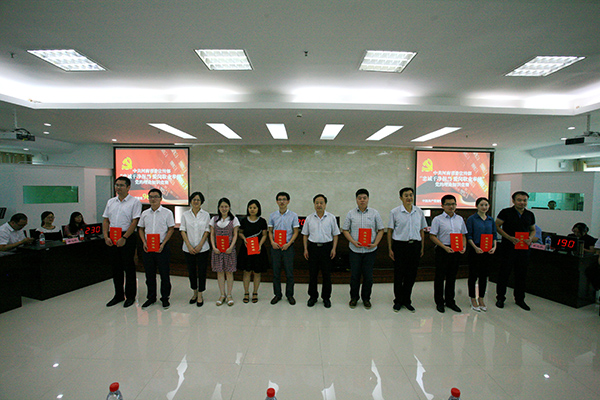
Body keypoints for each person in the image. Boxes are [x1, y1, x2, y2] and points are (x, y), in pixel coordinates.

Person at [102, 176, 142, 308]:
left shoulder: (135, 202)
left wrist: (124, 237)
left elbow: (134, 222)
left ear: (128, 187)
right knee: (116, 268)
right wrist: (106, 236)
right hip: (112, 236)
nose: (118, 188)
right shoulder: (111, 202)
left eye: (121, 185)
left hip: (127, 236)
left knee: (128, 267)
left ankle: (130, 296)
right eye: (117, 185)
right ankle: (118, 295)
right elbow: (106, 220)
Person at [342, 188, 384, 310]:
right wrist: (353, 241)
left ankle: (366, 299)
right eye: (359, 198)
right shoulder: (351, 214)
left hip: (370, 251)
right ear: (356, 199)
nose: (362, 200)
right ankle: (354, 298)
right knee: (354, 276)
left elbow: (381, 230)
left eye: (364, 198)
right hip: (355, 251)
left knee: (368, 277)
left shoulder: (374, 213)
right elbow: (345, 230)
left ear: (368, 199)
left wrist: (375, 243)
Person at [388, 187, 428, 313]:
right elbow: (390, 231)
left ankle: (407, 300)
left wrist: (422, 247)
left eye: (411, 195)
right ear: (401, 198)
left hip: (415, 246)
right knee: (399, 275)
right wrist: (390, 249)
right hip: (400, 246)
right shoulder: (395, 212)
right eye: (406, 195)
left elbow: (422, 230)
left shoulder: (419, 211)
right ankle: (398, 301)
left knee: (411, 275)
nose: (409, 198)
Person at [495, 191, 536, 311]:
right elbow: (497, 226)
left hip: (523, 249)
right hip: (508, 248)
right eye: (519, 200)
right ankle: (500, 298)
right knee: (504, 274)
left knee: (521, 275)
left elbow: (532, 229)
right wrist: (509, 238)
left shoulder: (529, 214)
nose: (522, 202)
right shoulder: (505, 212)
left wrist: (530, 238)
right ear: (513, 201)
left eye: (524, 200)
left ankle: (520, 299)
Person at [138, 188, 175, 310]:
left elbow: (171, 229)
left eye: (155, 197)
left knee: (164, 274)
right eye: (151, 197)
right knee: (149, 274)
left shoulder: (167, 213)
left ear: (160, 199)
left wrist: (163, 244)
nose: (153, 199)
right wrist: (144, 242)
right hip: (148, 247)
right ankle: (151, 297)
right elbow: (141, 228)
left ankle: (165, 298)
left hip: (162, 247)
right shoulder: (145, 213)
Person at [429, 194, 468, 313]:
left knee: (452, 277)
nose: (451, 206)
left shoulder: (459, 219)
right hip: (443, 250)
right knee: (440, 277)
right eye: (448, 204)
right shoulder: (438, 219)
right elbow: (432, 236)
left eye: (453, 204)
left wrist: (464, 246)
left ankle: (450, 301)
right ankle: (439, 302)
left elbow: (463, 235)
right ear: (442, 206)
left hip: (456, 250)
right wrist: (444, 247)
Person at [302, 194, 340, 308]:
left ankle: (326, 297)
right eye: (317, 203)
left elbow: (336, 234)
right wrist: (305, 249)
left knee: (326, 274)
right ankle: (313, 296)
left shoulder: (331, 218)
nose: (319, 205)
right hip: (313, 248)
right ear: (314, 204)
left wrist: (334, 248)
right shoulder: (309, 218)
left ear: (325, 204)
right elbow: (305, 235)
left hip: (326, 248)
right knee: (312, 274)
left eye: (321, 203)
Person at [268, 192, 300, 305]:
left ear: (288, 201)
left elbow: (296, 231)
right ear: (277, 201)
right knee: (276, 273)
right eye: (280, 199)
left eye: (284, 199)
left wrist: (289, 243)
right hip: (275, 247)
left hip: (288, 247)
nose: (282, 201)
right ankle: (277, 294)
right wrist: (272, 242)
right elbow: (270, 231)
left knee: (289, 273)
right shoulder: (272, 215)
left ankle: (289, 295)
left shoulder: (293, 215)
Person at [466, 197, 497, 312]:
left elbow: (494, 234)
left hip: (488, 250)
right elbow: (469, 235)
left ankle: (481, 298)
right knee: (473, 275)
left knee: (484, 275)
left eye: (486, 205)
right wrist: (475, 247)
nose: (484, 207)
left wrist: (494, 247)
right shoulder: (472, 219)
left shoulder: (490, 219)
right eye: (482, 205)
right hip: (475, 249)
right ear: (477, 206)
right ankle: (473, 298)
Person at [180, 191, 211, 307]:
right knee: (191, 271)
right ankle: (194, 292)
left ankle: (200, 294)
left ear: (201, 202)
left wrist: (200, 245)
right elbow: (183, 230)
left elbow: (207, 231)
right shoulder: (185, 215)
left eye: (198, 200)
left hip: (203, 249)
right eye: (194, 199)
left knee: (202, 272)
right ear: (191, 201)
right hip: (188, 249)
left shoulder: (206, 215)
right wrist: (188, 245)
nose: (196, 201)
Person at [209, 198, 239, 306]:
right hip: (218, 250)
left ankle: (229, 295)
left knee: (229, 272)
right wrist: (214, 247)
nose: (224, 208)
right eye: (222, 206)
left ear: (229, 207)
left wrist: (231, 247)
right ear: (218, 208)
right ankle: (222, 294)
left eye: (226, 206)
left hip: (229, 250)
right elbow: (212, 234)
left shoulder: (234, 219)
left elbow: (235, 234)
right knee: (220, 272)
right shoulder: (214, 219)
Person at [238, 199, 269, 304]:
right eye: (250, 207)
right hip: (246, 249)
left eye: (254, 208)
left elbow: (264, 235)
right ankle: (246, 293)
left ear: (258, 209)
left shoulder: (262, 221)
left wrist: (260, 244)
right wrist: (244, 239)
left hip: (258, 249)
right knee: (246, 272)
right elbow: (240, 232)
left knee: (257, 272)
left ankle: (255, 292)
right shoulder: (244, 221)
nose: (252, 209)